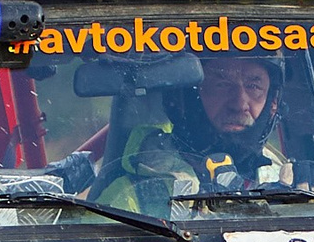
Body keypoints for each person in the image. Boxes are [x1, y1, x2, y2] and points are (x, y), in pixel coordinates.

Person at [93, 53, 285, 213]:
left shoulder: (286, 182)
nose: (239, 104)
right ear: (183, 99)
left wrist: (310, 190)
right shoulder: (132, 195)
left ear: (273, 103)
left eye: (254, 86)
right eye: (222, 84)